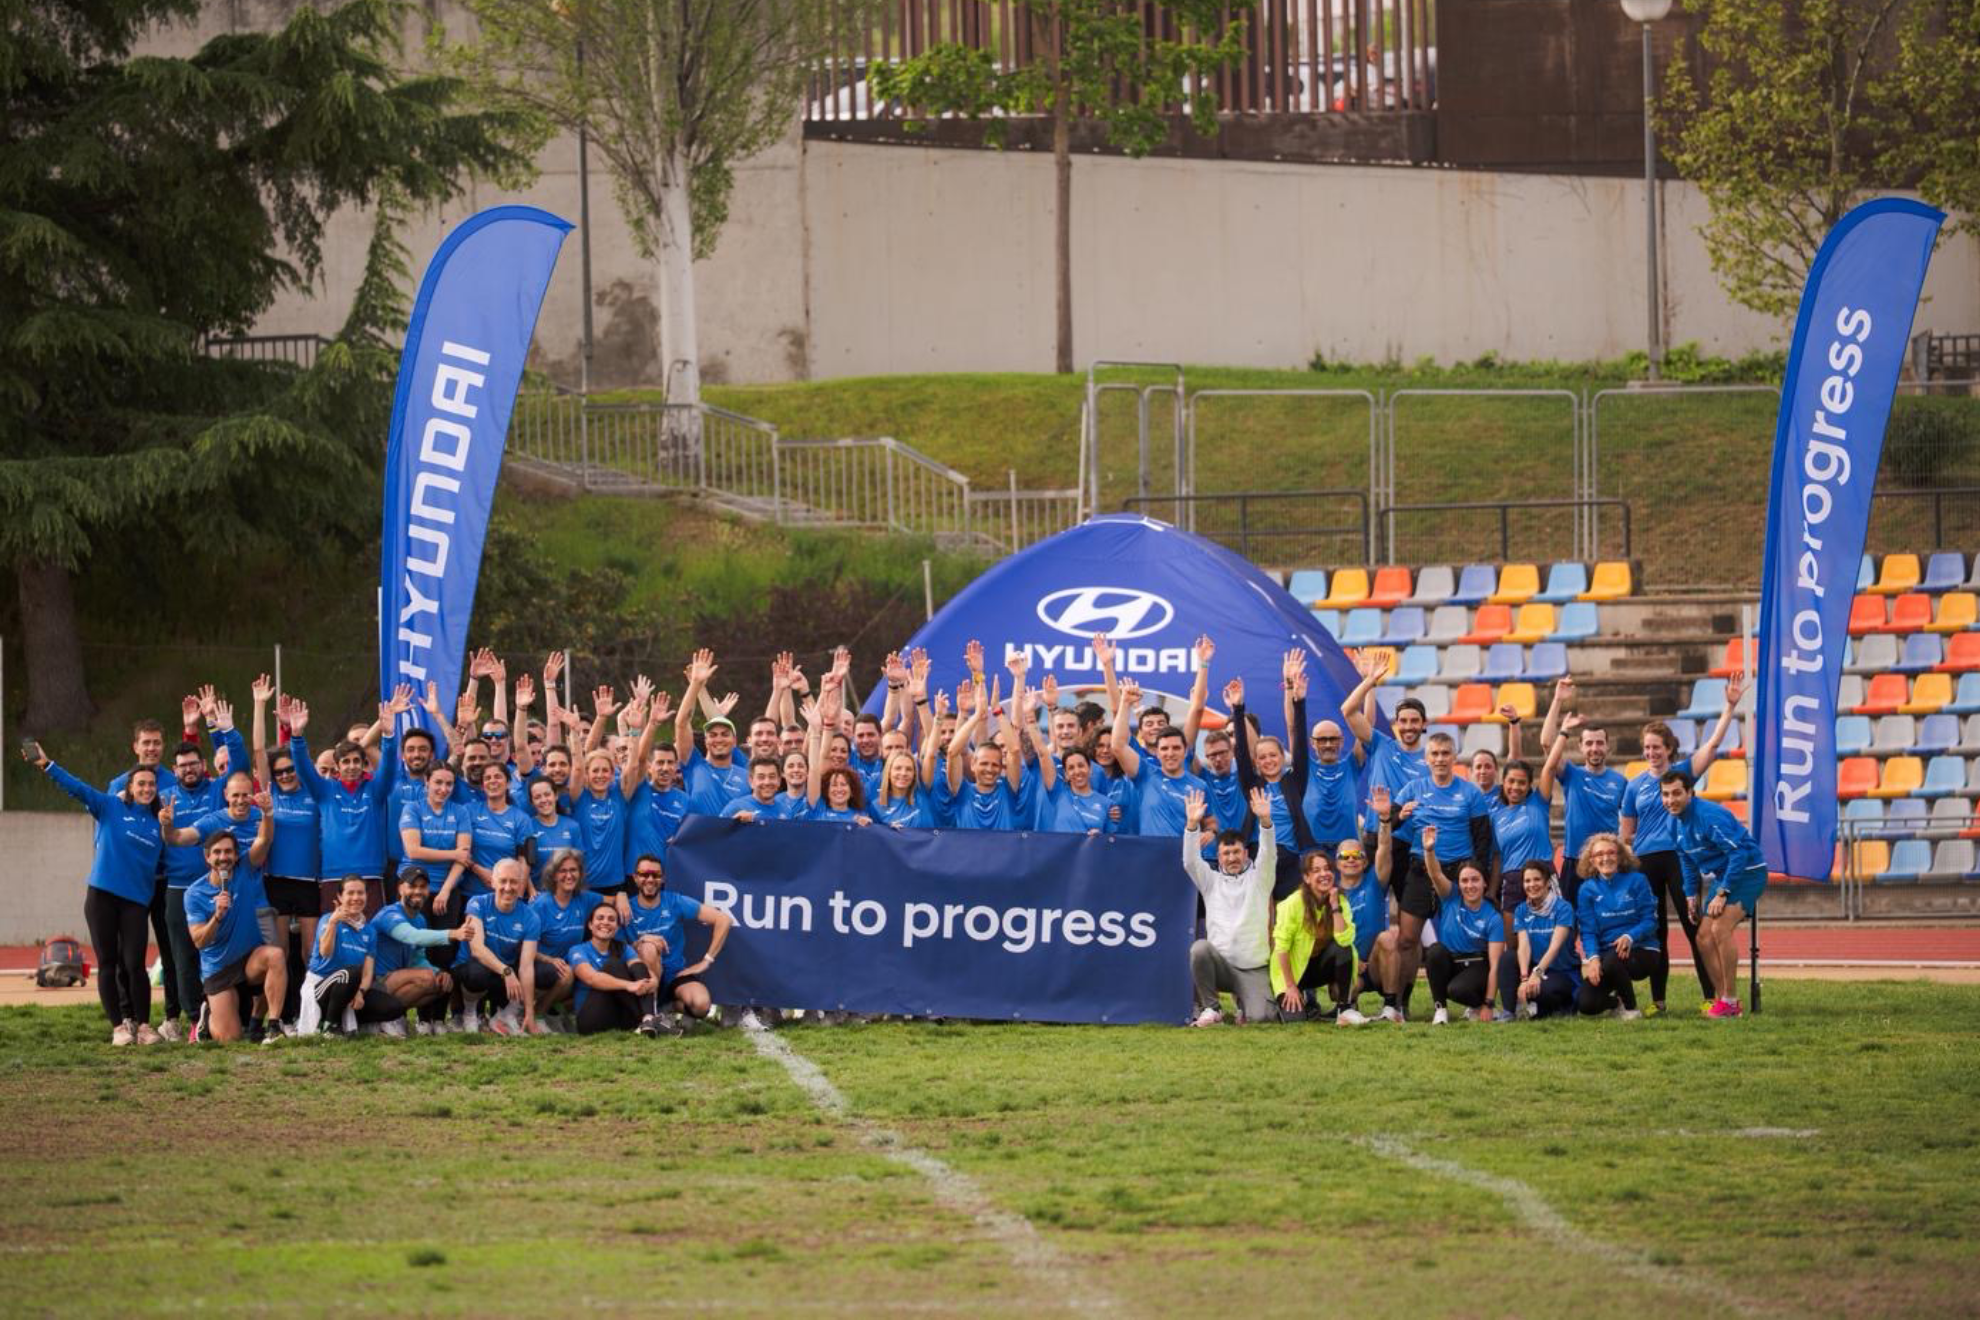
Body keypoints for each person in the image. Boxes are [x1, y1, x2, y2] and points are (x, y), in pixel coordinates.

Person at [28, 741, 171, 1045]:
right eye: (141, 784)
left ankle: (144, 1026)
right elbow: (77, 788)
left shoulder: (161, 823)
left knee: (134, 964)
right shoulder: (110, 806)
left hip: (135, 902)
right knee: (108, 963)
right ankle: (120, 1027)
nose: (146, 788)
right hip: (102, 897)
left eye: (151, 785)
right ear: (129, 787)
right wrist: (46, 763)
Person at [1621, 682, 1743, 1012]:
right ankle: (1658, 1001)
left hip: (1679, 859)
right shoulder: (1633, 786)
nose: (1651, 753)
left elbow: (1714, 744)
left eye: (1657, 747)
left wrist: (1729, 708)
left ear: (1669, 748)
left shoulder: (1683, 773)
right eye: (1646, 747)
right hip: (1646, 863)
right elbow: (1627, 835)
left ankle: (1712, 997)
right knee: (1654, 933)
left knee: (1694, 928)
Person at [1389, 731, 1494, 1020]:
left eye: (1445, 753)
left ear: (1455, 756)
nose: (1440, 759)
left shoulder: (1470, 792)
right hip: (1421, 871)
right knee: (1407, 939)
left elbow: (1482, 839)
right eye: (1434, 754)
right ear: (1426, 758)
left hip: (1458, 874)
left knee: (1468, 937)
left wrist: (1479, 878)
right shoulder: (1413, 788)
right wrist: (1400, 816)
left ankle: (1478, 1000)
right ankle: (1399, 1003)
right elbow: (1388, 820)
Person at [288, 688, 409, 917]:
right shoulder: (324, 790)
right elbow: (303, 768)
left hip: (370, 874)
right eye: (346, 761)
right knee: (335, 935)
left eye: (356, 761)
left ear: (364, 764)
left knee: (372, 933)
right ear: (338, 767)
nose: (352, 766)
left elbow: (390, 768)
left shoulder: (375, 790)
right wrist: (296, 736)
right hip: (334, 875)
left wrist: (389, 735)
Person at [1664, 771, 1768, 1020]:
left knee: (1719, 929)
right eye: (1665, 795)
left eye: (1677, 793)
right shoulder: (1672, 822)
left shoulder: (1709, 816)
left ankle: (1730, 1001)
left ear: (1690, 793)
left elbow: (1739, 854)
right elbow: (1687, 861)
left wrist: (1722, 893)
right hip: (1725, 874)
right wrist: (1690, 896)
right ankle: (1725, 1002)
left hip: (1749, 871)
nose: (1671, 800)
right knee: (1702, 936)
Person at [1181, 786, 1278, 1026]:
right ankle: (1211, 1009)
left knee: (1262, 1018)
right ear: (1219, 856)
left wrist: (1265, 822)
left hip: (1253, 968)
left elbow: (1269, 854)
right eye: (1226, 854)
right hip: (1221, 965)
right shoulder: (1210, 881)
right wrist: (1192, 826)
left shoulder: (1260, 878)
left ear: (1246, 854)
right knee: (1199, 949)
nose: (1232, 858)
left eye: (1236, 852)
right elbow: (1190, 861)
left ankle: (1244, 1004)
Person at [183, 831, 287, 1043]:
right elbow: (199, 941)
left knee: (275, 956)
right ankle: (208, 1016)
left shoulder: (246, 871)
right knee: (230, 1038)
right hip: (219, 968)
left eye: (228, 851)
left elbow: (264, 839)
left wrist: (267, 812)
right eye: (217, 852)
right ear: (207, 857)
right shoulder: (194, 893)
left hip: (249, 959)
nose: (223, 857)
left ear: (237, 855)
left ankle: (269, 1025)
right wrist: (217, 916)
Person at [1538, 678, 1627, 903]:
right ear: (1580, 747)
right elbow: (1547, 743)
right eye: (1589, 743)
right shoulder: (1571, 773)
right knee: (1570, 925)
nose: (1594, 748)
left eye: (1599, 743)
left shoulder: (1620, 781)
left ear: (1607, 746)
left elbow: (1629, 822)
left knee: (1608, 922)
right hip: (1574, 860)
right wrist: (1558, 700)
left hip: (1607, 860)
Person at [620, 854, 733, 1030]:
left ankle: (667, 1009)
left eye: (656, 875)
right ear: (635, 878)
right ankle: (651, 1016)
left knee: (701, 1005)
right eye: (644, 874)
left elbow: (723, 920)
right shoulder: (626, 908)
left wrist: (707, 961)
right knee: (649, 947)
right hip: (643, 978)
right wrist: (641, 942)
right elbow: (616, 948)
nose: (650, 879)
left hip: (674, 974)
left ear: (663, 878)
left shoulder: (674, 901)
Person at [369, 866, 475, 1033]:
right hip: (374, 985)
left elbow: (418, 958)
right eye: (412, 886)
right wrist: (453, 933)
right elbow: (412, 936)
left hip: (396, 981)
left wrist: (437, 972)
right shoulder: (389, 913)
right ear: (400, 888)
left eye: (422, 887)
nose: (418, 891)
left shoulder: (420, 920)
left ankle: (393, 1016)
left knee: (442, 981)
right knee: (426, 977)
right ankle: (387, 1018)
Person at [460, 858, 557, 1035]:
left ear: (521, 885)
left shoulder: (530, 916)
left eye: (513, 882)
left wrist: (530, 1012)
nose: (508, 887)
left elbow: (527, 966)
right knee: (476, 975)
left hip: (505, 975)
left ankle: (508, 1014)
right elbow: (477, 950)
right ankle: (469, 1012)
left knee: (548, 973)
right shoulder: (477, 903)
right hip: (479, 968)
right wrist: (506, 971)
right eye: (503, 880)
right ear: (493, 882)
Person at [1419, 826, 1504, 1024]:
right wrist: (1429, 851)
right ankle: (1440, 1011)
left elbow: (1495, 966)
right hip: (1452, 963)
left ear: (1484, 883)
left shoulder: (1493, 917)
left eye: (1475, 880)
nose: (1469, 885)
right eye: (1464, 881)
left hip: (1478, 967)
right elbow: (1435, 874)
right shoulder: (1451, 897)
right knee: (1434, 951)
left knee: (1458, 990)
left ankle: (1478, 1005)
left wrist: (1489, 1004)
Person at [1270, 849, 1363, 1024]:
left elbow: (1345, 940)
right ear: (1306, 878)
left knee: (1342, 948)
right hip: (1293, 971)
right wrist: (1290, 986)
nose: (1324, 874)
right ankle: (1295, 998)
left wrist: (1335, 906)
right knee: (1295, 1020)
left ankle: (1344, 1009)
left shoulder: (1340, 899)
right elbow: (1281, 948)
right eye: (1316, 870)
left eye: (1327, 869)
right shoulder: (1292, 903)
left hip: (1318, 967)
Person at [306, 876, 407, 1035]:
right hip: (322, 986)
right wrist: (333, 924)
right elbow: (325, 953)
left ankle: (361, 1026)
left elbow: (367, 973)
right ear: (340, 897)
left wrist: (360, 993)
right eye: (350, 893)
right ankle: (330, 1027)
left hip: (351, 987)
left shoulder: (369, 931)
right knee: (351, 973)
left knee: (394, 1007)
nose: (356, 898)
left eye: (360, 893)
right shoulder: (327, 920)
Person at [1573, 833, 1660, 1019]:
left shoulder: (1637, 880)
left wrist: (1630, 936)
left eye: (1611, 852)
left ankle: (1631, 1010)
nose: (1606, 858)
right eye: (1599, 854)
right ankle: (1616, 1003)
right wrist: (1593, 959)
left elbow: (1650, 920)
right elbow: (1588, 931)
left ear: (1620, 856)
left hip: (1642, 950)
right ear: (1592, 860)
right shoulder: (1586, 889)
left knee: (1613, 959)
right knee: (1585, 1003)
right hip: (1607, 955)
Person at [399, 762, 474, 964]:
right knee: (416, 949)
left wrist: (445, 890)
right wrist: (453, 854)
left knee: (444, 951)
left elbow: (464, 857)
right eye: (438, 782)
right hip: (415, 887)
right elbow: (413, 850)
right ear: (427, 782)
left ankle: (445, 993)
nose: (443, 789)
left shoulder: (460, 812)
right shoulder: (412, 808)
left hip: (447, 889)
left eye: (449, 784)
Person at [527, 848, 600, 1023]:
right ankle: (538, 1014)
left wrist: (620, 896)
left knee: (595, 973)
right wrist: (549, 960)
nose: (569, 875)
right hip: (539, 966)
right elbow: (523, 947)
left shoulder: (583, 899)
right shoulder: (540, 905)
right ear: (553, 875)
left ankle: (558, 1013)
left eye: (573, 870)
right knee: (567, 974)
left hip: (567, 965)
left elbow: (611, 901)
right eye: (563, 871)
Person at [1499, 860, 1578, 1020]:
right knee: (1508, 957)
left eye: (1537, 879)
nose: (1532, 885)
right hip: (1537, 970)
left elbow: (1555, 947)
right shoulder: (1521, 910)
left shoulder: (1563, 908)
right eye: (1527, 881)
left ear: (1548, 882)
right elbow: (1524, 946)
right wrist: (1524, 978)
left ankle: (1562, 1006)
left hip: (1562, 971)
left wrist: (1537, 973)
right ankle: (1509, 1012)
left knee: (1543, 990)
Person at [568, 904, 662, 1035]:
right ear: (590, 925)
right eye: (600, 918)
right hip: (590, 1018)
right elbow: (591, 979)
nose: (605, 922)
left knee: (637, 967)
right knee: (613, 965)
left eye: (611, 919)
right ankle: (651, 1020)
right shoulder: (577, 950)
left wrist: (653, 980)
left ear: (617, 928)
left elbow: (640, 967)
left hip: (620, 1014)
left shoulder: (622, 948)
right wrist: (629, 985)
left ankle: (648, 1019)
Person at [676, 650, 749, 816]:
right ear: (706, 740)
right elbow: (681, 724)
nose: (719, 739)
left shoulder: (747, 774)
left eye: (725, 734)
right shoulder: (694, 765)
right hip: (700, 841)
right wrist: (695, 684)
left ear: (735, 740)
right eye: (713, 735)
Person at [1337, 828, 1397, 1018]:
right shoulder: (1331, 894)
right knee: (1337, 992)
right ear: (1337, 863)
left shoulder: (1374, 880)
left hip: (1376, 964)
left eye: (1357, 855)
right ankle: (1348, 1005)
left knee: (1387, 938)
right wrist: (1353, 961)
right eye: (1345, 856)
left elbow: (1385, 847)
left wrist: (1385, 819)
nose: (1351, 859)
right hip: (1351, 966)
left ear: (1364, 861)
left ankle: (1390, 1007)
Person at [1488, 759, 1552, 927]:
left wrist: (1563, 733)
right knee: (1513, 945)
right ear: (1503, 782)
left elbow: (1550, 766)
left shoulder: (1538, 802)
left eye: (1522, 782)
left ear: (1530, 784)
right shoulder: (1496, 817)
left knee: (1547, 935)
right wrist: (1492, 890)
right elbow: (1497, 857)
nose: (1515, 787)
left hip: (1543, 876)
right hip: (1512, 881)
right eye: (1511, 781)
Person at [468, 761, 533, 900]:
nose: (493, 781)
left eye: (498, 777)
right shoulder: (469, 811)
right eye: (487, 778)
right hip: (470, 893)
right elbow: (460, 850)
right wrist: (478, 870)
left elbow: (525, 860)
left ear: (508, 783)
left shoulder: (521, 819)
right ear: (482, 785)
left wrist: (518, 896)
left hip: (506, 896)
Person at [523, 776, 585, 888]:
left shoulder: (572, 826)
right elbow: (524, 864)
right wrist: (531, 891)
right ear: (532, 802)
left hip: (567, 894)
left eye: (547, 795)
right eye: (537, 797)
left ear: (555, 795)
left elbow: (579, 864)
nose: (543, 800)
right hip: (538, 896)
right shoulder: (528, 827)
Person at [723, 756, 806, 822]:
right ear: (751, 781)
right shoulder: (735, 806)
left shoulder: (787, 811)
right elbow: (717, 835)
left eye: (772, 777)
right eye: (761, 777)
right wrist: (733, 822)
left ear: (779, 780)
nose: (767, 782)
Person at [871, 751, 938, 829]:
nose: (903, 773)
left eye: (909, 769)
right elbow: (875, 836)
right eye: (898, 768)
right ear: (888, 773)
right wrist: (888, 830)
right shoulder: (876, 806)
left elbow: (931, 755)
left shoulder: (922, 792)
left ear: (914, 774)